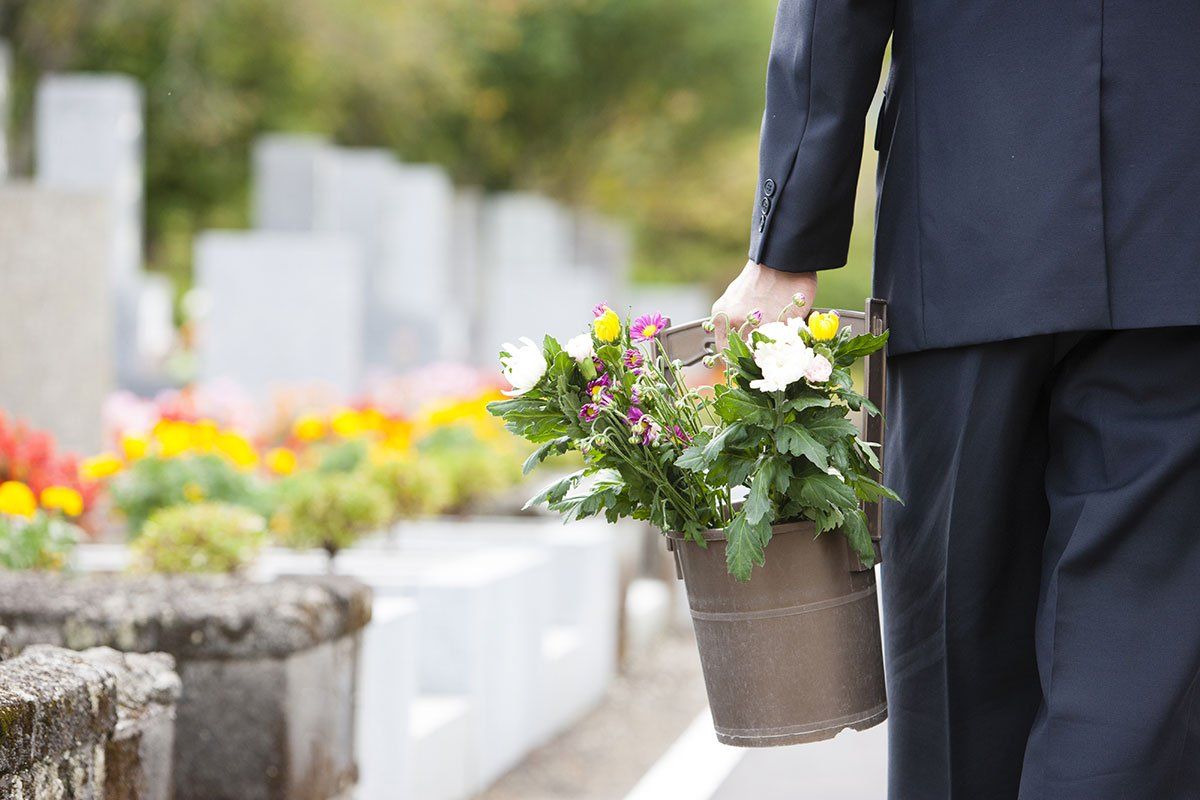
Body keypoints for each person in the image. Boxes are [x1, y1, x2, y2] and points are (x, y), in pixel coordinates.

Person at [712, 3, 1200, 799]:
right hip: (1180, 225)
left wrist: (789, 238)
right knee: (1138, 657)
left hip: (970, 219)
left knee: (956, 660)